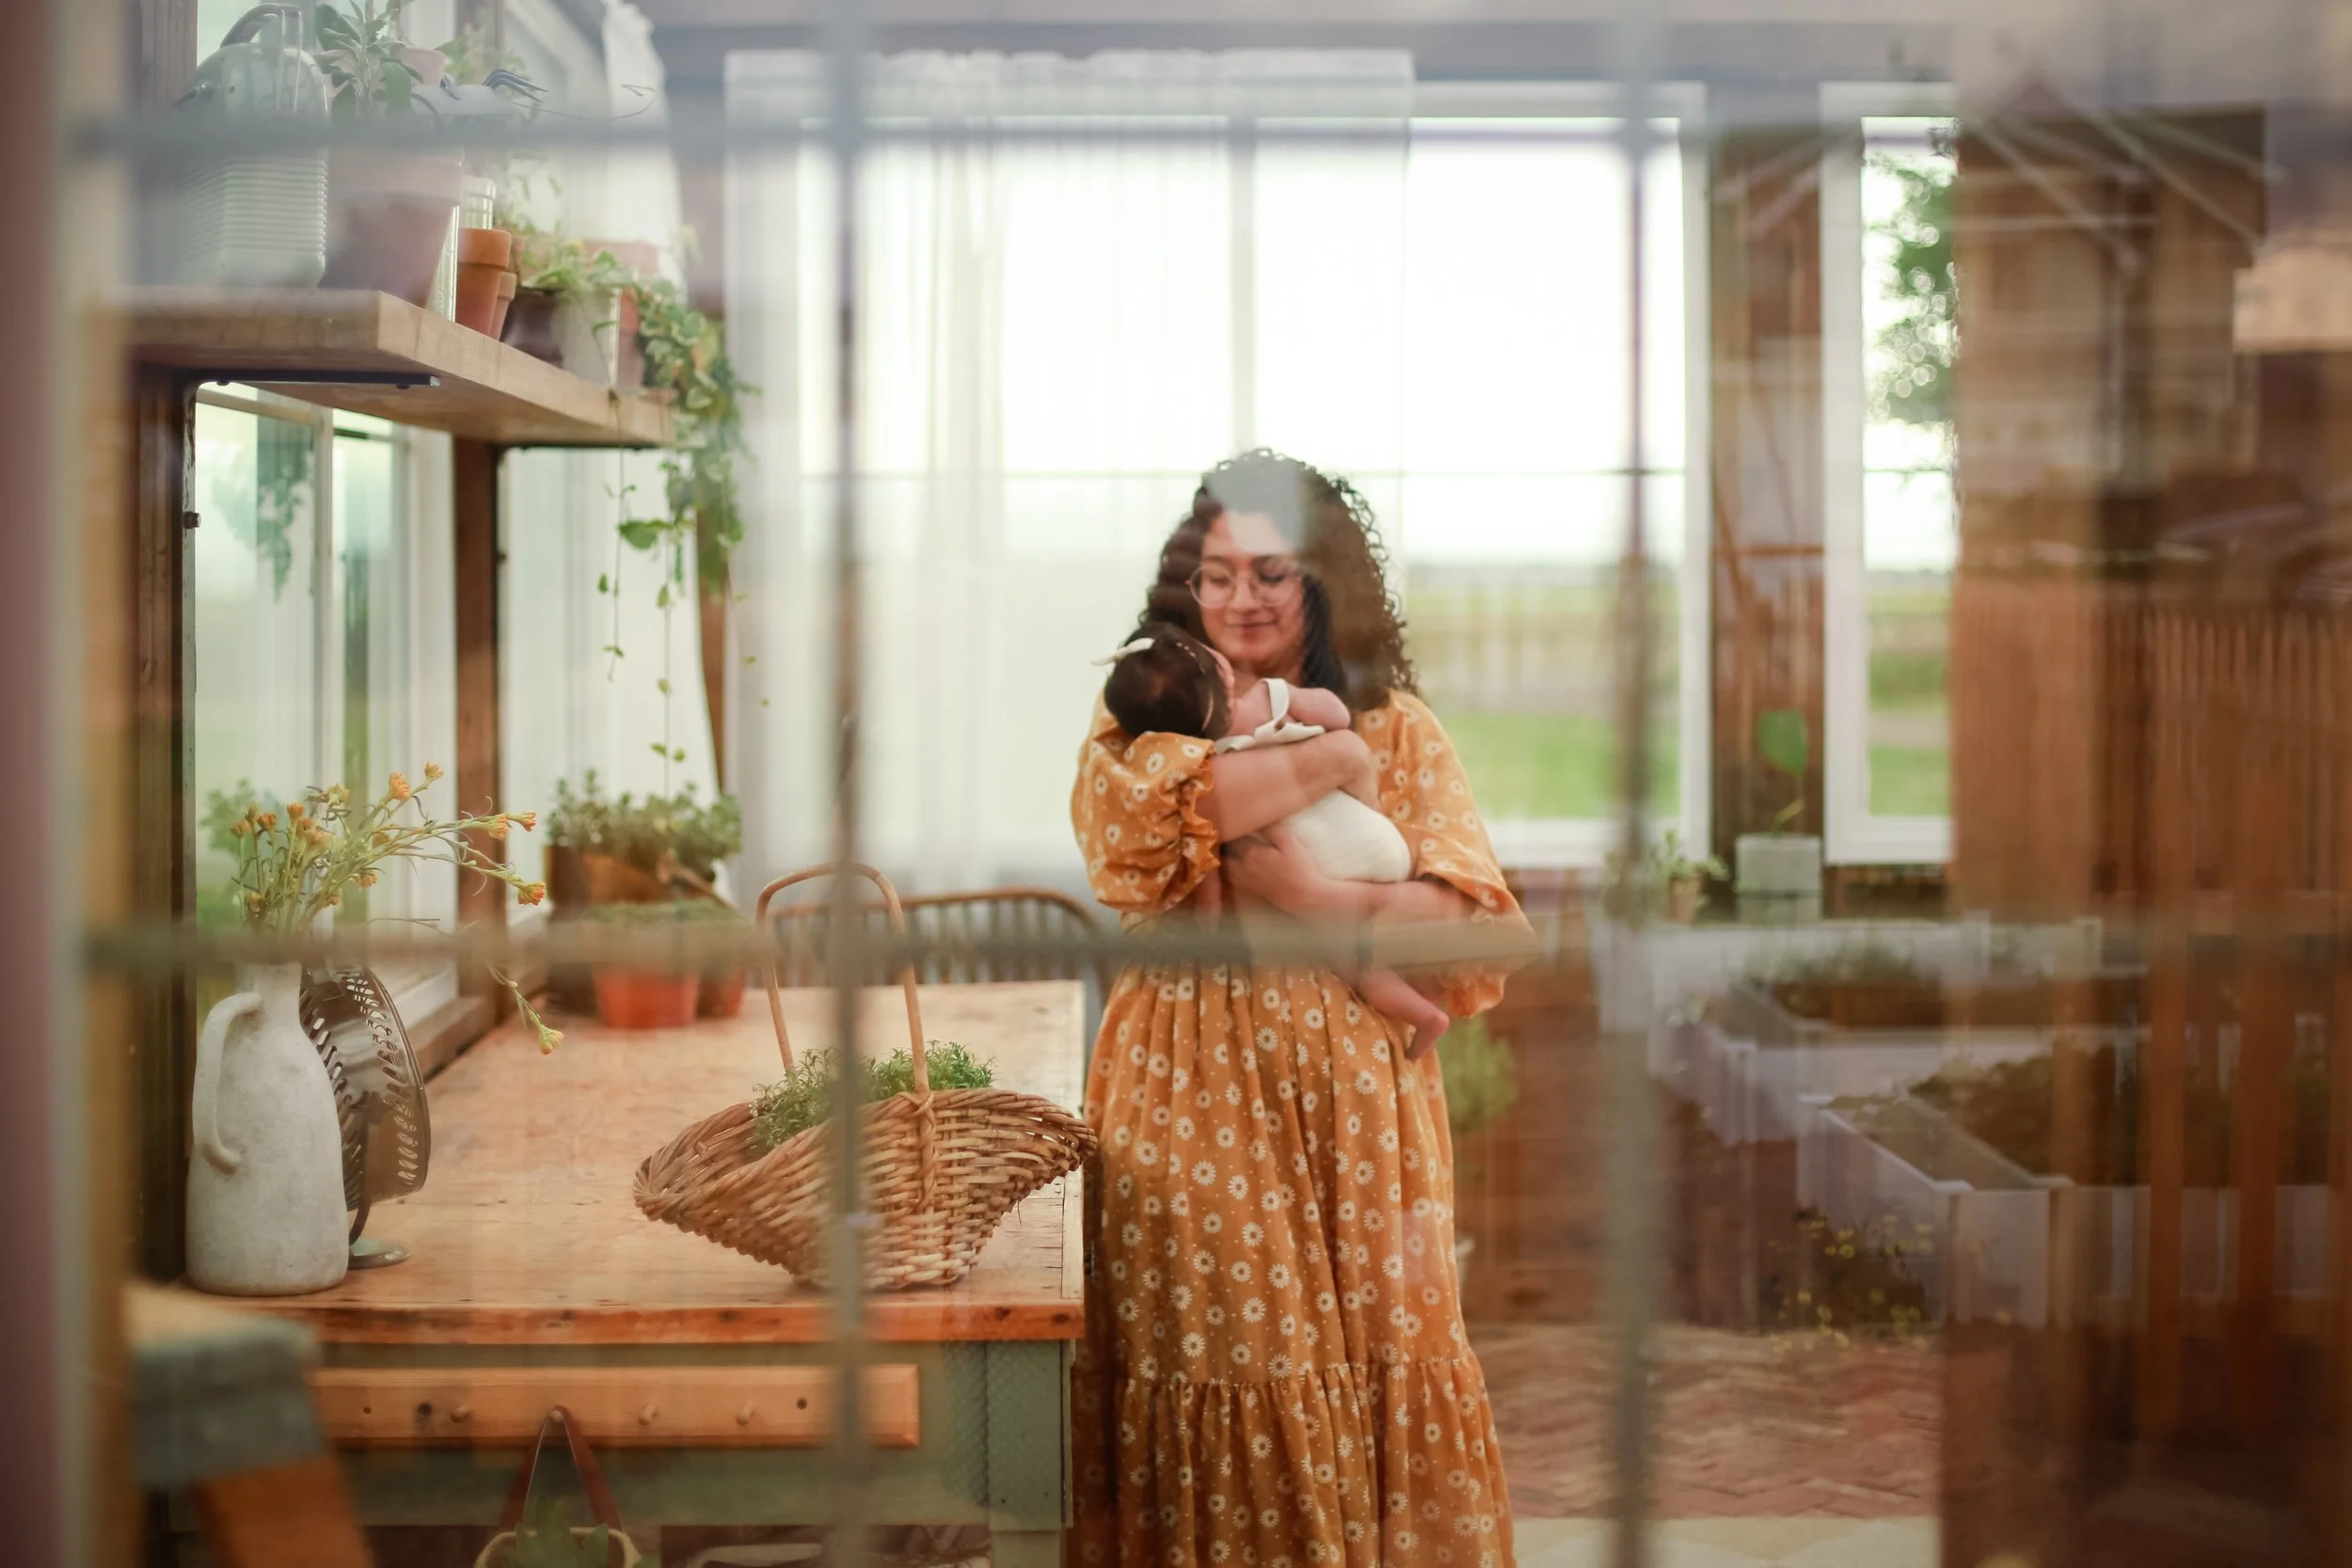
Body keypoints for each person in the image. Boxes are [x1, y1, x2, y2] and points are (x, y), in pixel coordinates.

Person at [1069, 450, 1531, 1568]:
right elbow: (1137, 832)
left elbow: (1478, 919)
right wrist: (1329, 754)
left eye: (1270, 573)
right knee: (1221, 1360)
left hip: (1362, 1119)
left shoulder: (1400, 725)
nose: (1240, 600)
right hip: (1189, 1093)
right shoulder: (1147, 711)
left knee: (1383, 1356)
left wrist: (1314, 893)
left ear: (1324, 582)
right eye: (1217, 575)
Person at [1098, 619, 1454, 1053]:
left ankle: (1424, 1013)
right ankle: (1427, 1001)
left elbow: (1202, 861)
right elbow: (1337, 715)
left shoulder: (1195, 773)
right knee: (1355, 944)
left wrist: (1210, 930)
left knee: (1351, 961)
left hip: (1317, 855)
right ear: (1220, 666)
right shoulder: (1267, 699)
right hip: (1367, 839)